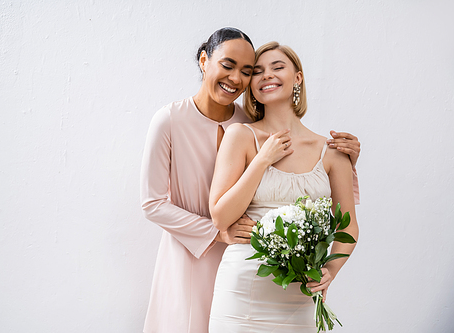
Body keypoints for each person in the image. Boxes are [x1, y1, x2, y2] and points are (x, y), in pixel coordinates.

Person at [140, 28, 361, 333]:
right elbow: (153, 204)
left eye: (246, 71)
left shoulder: (247, 122)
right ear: (204, 61)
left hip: (275, 273)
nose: (238, 78)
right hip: (198, 253)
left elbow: (331, 206)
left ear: (298, 77)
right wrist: (219, 233)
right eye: (230, 66)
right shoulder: (175, 120)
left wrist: (348, 161)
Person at [208, 42, 359, 332]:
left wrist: (329, 271)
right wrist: (262, 160)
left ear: (297, 78)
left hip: (300, 295)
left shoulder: (332, 152)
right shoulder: (239, 136)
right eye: (258, 72)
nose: (267, 76)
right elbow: (220, 217)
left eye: (278, 68)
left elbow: (348, 227)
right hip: (241, 292)